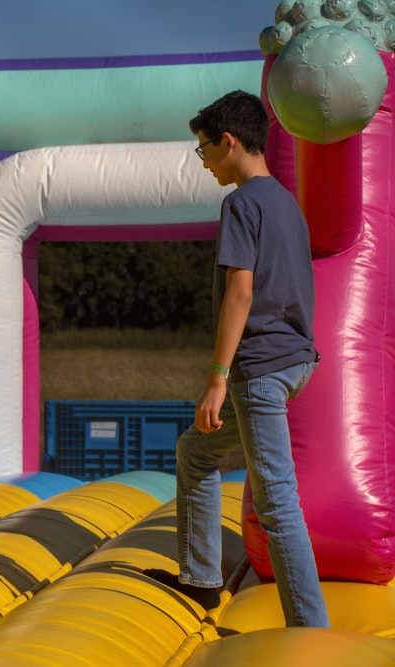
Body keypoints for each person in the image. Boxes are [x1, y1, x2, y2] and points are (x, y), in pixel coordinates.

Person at [144, 90, 329, 627]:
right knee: (195, 452)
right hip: (296, 361)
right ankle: (201, 580)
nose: (202, 162)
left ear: (228, 142)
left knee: (277, 504)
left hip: (260, 369)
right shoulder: (286, 203)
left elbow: (240, 294)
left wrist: (217, 379)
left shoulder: (242, 202)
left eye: (203, 150)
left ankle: (311, 630)